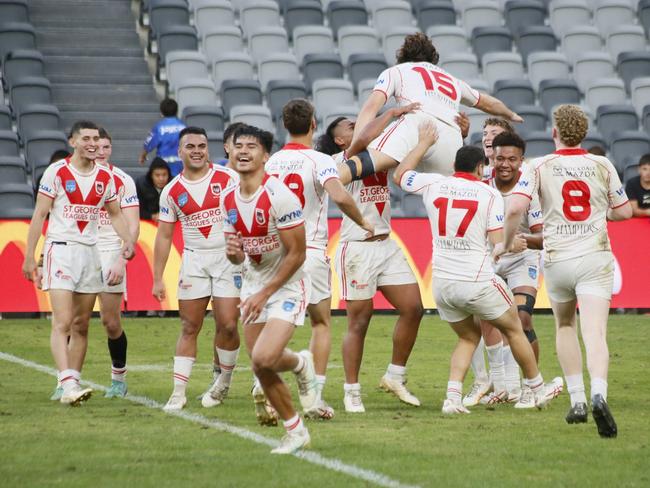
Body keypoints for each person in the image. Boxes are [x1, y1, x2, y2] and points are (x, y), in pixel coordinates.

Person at [395, 122, 558, 414]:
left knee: (469, 336)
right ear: (482, 168)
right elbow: (498, 244)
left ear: (454, 165)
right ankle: (537, 387)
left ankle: (452, 398)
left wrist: (422, 144)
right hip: (477, 280)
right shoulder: (489, 194)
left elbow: (400, 175)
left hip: (442, 285)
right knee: (515, 328)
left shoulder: (434, 184)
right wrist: (515, 244)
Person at [499, 104, 633, 437]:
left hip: (558, 257)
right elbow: (625, 211)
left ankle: (576, 400)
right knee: (596, 333)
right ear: (584, 133)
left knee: (564, 324)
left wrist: (505, 240)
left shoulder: (539, 165)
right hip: (594, 256)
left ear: (555, 132)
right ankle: (598, 393)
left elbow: (516, 206)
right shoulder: (601, 164)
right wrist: (602, 215)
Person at [265, 99, 373, 419]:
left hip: (275, 253)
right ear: (313, 124)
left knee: (275, 326)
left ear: (285, 125)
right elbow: (339, 195)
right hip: (310, 252)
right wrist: (363, 221)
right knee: (321, 323)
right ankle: (314, 396)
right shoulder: (320, 161)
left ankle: (269, 392)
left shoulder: (269, 163)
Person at [22, 120, 135, 405]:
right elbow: (39, 216)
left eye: (96, 139)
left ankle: (71, 380)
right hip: (60, 250)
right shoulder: (56, 172)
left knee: (82, 324)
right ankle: (67, 383)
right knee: (62, 322)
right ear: (73, 142)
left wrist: (127, 241)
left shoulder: (106, 177)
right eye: (86, 139)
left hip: (90, 253)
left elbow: (115, 214)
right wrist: (29, 256)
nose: (93, 143)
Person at [318, 121, 425, 414]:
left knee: (414, 308)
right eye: (350, 126)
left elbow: (412, 166)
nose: (359, 126)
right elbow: (365, 137)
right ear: (340, 140)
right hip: (357, 246)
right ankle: (351, 391)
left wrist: (429, 141)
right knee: (359, 321)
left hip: (386, 244)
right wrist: (392, 112)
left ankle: (394, 376)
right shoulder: (337, 163)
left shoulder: (379, 156)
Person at [222, 125, 317, 455]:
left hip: (287, 287)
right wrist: (233, 253)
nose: (244, 151)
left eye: (252, 146)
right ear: (229, 152)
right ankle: (300, 375)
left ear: (266, 155)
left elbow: (297, 253)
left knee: (263, 357)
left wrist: (266, 293)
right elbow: (237, 256)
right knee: (261, 365)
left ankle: (296, 430)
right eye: (238, 146)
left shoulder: (280, 196)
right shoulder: (228, 198)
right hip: (252, 285)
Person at [337, 32, 522, 184]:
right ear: (432, 59)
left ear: (403, 57)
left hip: (418, 122)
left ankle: (328, 182)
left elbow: (370, 108)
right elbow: (487, 102)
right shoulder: (451, 79)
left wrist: (355, 147)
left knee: (364, 162)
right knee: (453, 195)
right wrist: (511, 114)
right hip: (451, 137)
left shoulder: (397, 71)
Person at [152, 127, 242, 411]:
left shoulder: (228, 178)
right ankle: (178, 392)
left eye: (202, 145)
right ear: (179, 152)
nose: (196, 151)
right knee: (190, 325)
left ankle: (223, 381)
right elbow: (164, 236)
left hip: (228, 259)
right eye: (190, 146)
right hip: (194, 260)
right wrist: (157, 278)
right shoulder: (171, 191)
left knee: (227, 323)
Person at [479, 131, 563, 407]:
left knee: (522, 319)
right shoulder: (483, 185)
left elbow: (543, 236)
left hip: (520, 259)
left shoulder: (528, 189)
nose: (504, 164)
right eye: (499, 158)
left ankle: (530, 386)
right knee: (485, 323)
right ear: (492, 157)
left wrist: (519, 240)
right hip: (490, 259)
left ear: (521, 161)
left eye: (511, 159)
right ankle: (500, 386)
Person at [93, 128, 140, 397]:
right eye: (97, 146)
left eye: (106, 147)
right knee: (73, 321)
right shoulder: (69, 176)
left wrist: (122, 258)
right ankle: (66, 380)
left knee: (110, 321)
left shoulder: (122, 180)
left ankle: (118, 379)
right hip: (80, 249)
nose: (101, 152)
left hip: (111, 249)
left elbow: (132, 225)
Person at [139, 98, 186, 177]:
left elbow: (149, 144)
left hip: (163, 166)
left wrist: (143, 156)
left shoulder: (159, 127)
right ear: (177, 111)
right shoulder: (183, 126)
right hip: (180, 165)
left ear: (161, 112)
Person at [136, 157, 171, 221]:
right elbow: (135, 210)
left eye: (164, 175)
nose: (161, 179)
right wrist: (151, 216)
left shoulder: (174, 185)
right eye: (157, 175)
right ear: (151, 175)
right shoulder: (140, 185)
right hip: (146, 223)